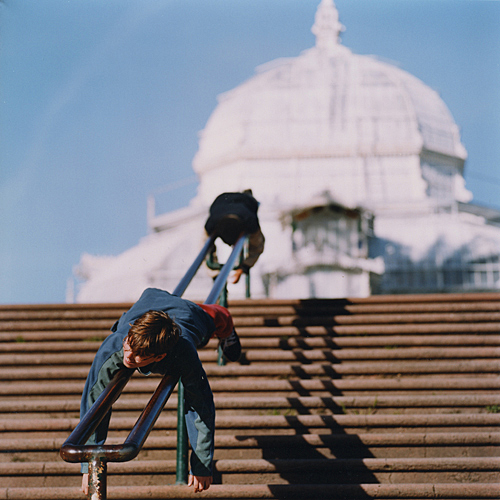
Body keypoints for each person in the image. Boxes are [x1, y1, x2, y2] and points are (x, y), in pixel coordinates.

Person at [79, 287, 241, 495]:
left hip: (187, 313)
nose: (128, 357)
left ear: (159, 357)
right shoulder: (116, 344)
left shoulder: (185, 354)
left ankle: (226, 329)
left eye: (139, 356)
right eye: (128, 348)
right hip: (148, 300)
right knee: (123, 335)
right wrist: (89, 465)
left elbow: (200, 405)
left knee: (214, 319)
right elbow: (95, 401)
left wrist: (201, 462)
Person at [204, 190, 265, 284]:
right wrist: (243, 268)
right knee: (258, 244)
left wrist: (215, 274)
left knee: (205, 246)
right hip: (245, 217)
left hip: (216, 216)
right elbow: (257, 247)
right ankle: (219, 276)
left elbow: (205, 249)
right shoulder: (250, 204)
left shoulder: (225, 197)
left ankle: (215, 276)